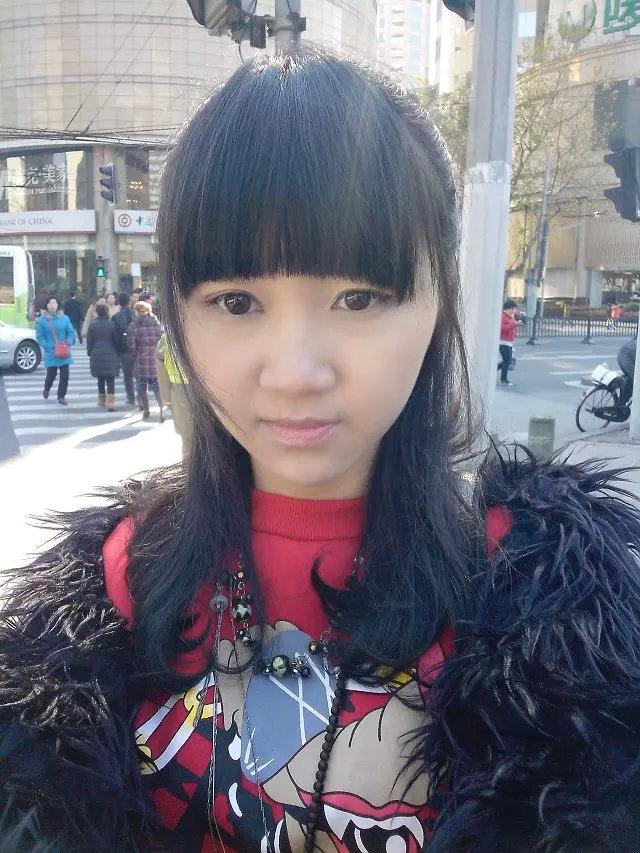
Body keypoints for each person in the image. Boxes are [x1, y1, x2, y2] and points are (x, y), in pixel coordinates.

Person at [2, 48, 640, 853]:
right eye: (237, 301)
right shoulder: (120, 585)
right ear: (176, 317)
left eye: (358, 297)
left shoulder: (541, 604)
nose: (296, 373)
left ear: (439, 300)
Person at [35, 294, 75, 405]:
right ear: (46, 305)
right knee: (51, 375)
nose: (52, 305)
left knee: (65, 375)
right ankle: (47, 388)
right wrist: (47, 346)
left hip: (64, 351)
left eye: (54, 302)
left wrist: (68, 342)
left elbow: (70, 333)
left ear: (58, 304)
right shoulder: (42, 320)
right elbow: (39, 336)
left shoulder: (65, 318)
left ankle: (61, 396)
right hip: (51, 352)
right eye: (50, 303)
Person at [156, 332, 191, 455]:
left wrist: (166, 397)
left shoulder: (166, 339)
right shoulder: (201, 329)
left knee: (188, 437)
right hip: (205, 389)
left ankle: (190, 464)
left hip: (180, 391)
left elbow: (161, 369)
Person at [128, 299, 164, 421]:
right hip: (155, 359)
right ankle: (161, 409)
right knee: (157, 386)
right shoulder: (156, 323)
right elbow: (162, 340)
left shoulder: (134, 325)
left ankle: (146, 409)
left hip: (142, 360)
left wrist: (135, 354)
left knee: (143, 387)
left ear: (137, 311)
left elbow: (132, 346)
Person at [86, 302, 121, 411]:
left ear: (97, 312)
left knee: (100, 378)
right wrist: (118, 352)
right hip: (111, 353)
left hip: (96, 354)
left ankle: (102, 400)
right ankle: (111, 403)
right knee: (110, 380)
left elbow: (89, 341)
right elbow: (116, 340)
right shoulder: (111, 324)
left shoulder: (92, 325)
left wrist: (90, 352)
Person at [112, 291, 137, 407]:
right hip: (137, 349)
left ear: (119, 302)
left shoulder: (115, 317)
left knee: (128, 376)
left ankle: (131, 398)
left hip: (123, 350)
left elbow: (114, 336)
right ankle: (142, 399)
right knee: (139, 376)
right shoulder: (135, 316)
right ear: (129, 301)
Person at [497, 298, 518, 386]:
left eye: (515, 309)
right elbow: (502, 329)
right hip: (503, 342)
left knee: (507, 361)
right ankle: (504, 379)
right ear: (506, 309)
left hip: (508, 342)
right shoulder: (503, 317)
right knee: (507, 361)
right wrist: (514, 324)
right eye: (512, 309)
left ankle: (495, 369)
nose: (514, 311)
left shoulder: (510, 317)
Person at [617, 336, 636, 405]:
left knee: (631, 379)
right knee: (637, 382)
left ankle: (622, 402)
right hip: (628, 359)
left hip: (621, 356)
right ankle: (621, 404)